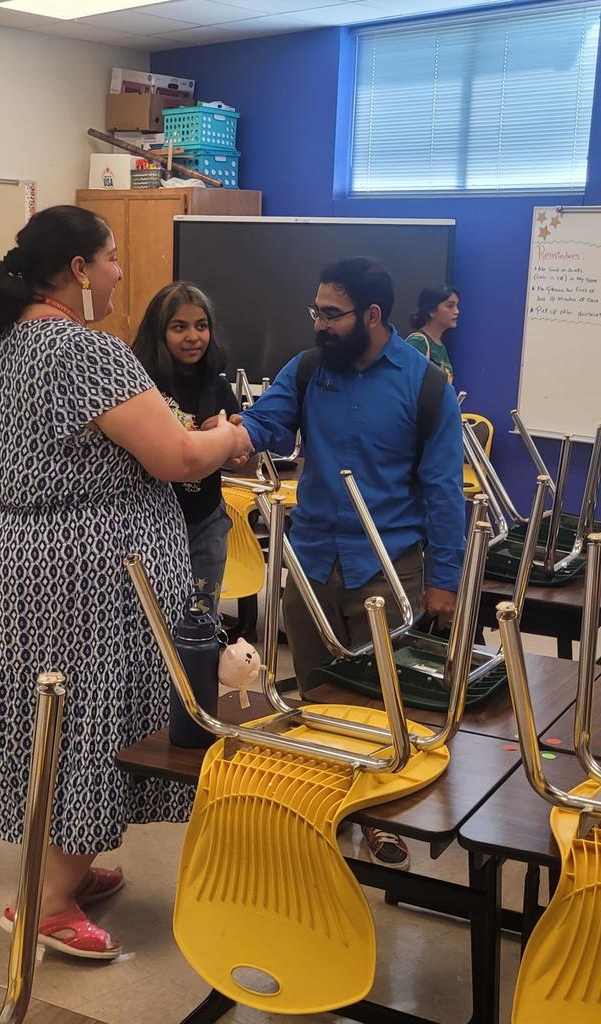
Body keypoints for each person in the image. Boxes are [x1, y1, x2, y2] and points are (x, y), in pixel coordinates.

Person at [0, 205, 250, 960]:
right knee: (92, 719)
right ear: (78, 269)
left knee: (32, 714)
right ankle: (44, 903)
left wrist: (10, 531)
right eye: (110, 259)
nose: (116, 274)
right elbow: (175, 458)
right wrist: (231, 436)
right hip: (88, 583)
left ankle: (61, 867)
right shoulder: (84, 352)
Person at [212, 257, 465, 870]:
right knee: (318, 700)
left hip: (387, 570)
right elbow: (268, 423)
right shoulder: (307, 370)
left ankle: (376, 821)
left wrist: (445, 584)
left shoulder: (425, 386)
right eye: (316, 311)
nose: (319, 323)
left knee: (382, 705)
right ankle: (319, 819)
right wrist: (227, 436)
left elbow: (442, 491)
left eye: (332, 314)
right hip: (309, 563)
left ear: (372, 316)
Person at [133, 282, 240, 604]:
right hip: (148, 523)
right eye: (179, 327)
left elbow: (244, 461)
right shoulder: (139, 385)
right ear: (158, 332)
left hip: (206, 520)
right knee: (154, 623)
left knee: (201, 625)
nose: (194, 337)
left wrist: (232, 438)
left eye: (202, 326)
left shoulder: (217, 388)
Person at [404, 285, 459, 383]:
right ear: (431, 310)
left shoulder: (441, 347)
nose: (457, 311)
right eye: (450, 306)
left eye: (457, 306)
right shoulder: (418, 342)